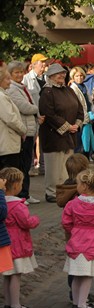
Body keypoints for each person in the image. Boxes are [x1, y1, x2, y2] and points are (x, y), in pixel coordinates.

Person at [61, 168, 94, 308]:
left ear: (83, 186)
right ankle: (82, 304)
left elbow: (66, 223)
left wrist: (74, 230)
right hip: (92, 243)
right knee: (87, 276)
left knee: (77, 275)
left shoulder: (72, 204)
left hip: (76, 241)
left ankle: (77, 302)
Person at [38, 63, 84, 203]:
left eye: (63, 73)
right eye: (58, 74)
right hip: (53, 135)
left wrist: (77, 124)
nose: (62, 76)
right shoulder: (47, 92)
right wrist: (67, 126)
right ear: (50, 76)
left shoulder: (69, 90)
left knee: (65, 165)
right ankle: (51, 192)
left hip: (69, 134)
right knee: (54, 166)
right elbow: (48, 114)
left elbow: (80, 109)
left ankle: (64, 190)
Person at [0, 167, 38, 308]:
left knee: (8, 276)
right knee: (16, 275)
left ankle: (8, 303)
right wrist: (35, 220)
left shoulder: (4, 203)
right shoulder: (17, 206)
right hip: (17, 244)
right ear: (16, 185)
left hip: (6, 244)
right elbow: (26, 222)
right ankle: (15, 304)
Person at [5, 61, 40, 203]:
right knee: (21, 165)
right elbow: (25, 107)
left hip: (29, 130)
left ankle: (25, 193)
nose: (20, 75)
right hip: (23, 132)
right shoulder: (12, 89)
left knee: (26, 164)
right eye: (16, 73)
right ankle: (20, 195)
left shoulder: (22, 87)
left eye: (21, 72)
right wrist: (36, 109)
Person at [0, 68, 26, 173]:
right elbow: (10, 119)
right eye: (7, 79)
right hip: (7, 145)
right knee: (9, 177)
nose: (10, 81)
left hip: (8, 144)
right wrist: (23, 130)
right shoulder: (1, 97)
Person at [69, 67, 92, 158]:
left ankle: (85, 162)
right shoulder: (73, 88)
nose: (79, 78)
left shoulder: (84, 87)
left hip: (88, 117)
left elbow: (88, 102)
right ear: (73, 77)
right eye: (77, 76)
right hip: (79, 119)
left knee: (87, 144)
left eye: (81, 75)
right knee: (79, 144)